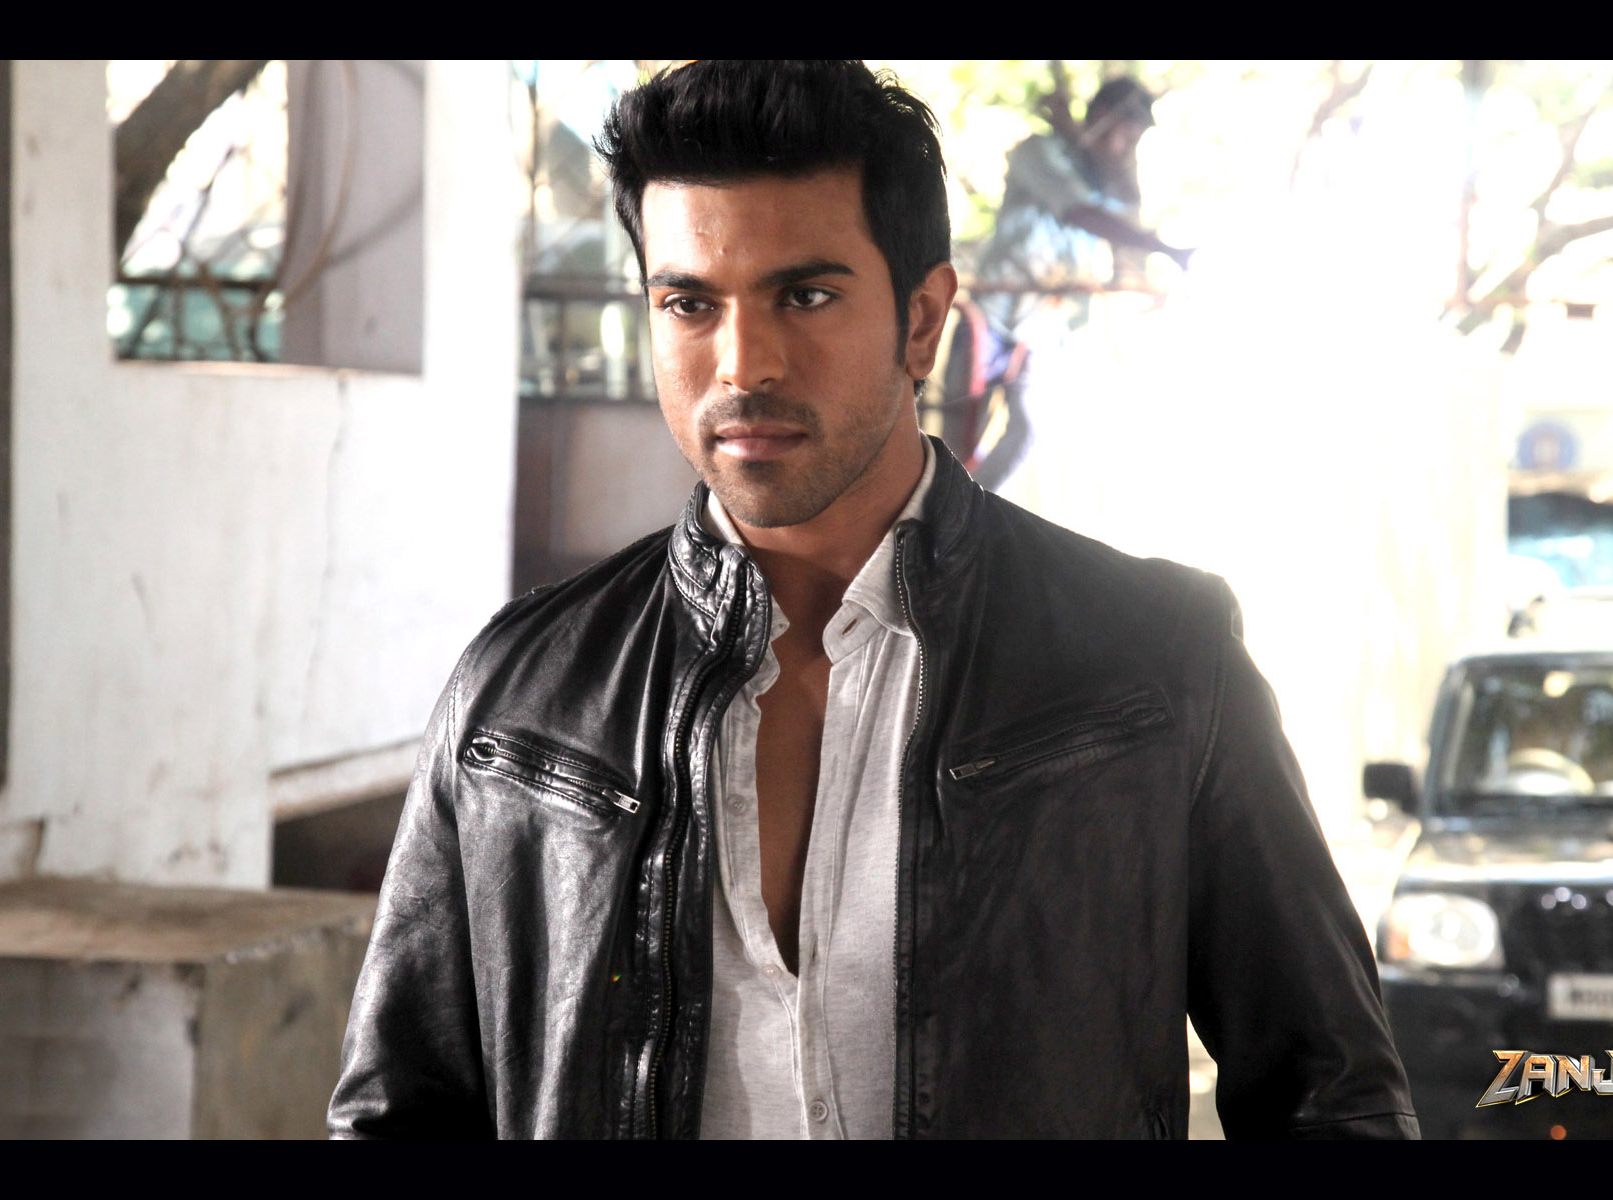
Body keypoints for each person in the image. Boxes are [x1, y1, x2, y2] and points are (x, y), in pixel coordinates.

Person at [328, 59, 1418, 1140]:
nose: (743, 364)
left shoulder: (1156, 663)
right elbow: (396, 1116)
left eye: (805, 295)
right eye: (690, 303)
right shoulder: (521, 694)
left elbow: (1335, 1099)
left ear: (922, 320)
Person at [963, 76, 1191, 492]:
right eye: (1127, 137)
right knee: (959, 434)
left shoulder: (1105, 179)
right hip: (992, 317)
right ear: (1102, 116)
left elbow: (1128, 203)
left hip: (1042, 329)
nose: (1128, 150)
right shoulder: (1039, 151)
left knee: (1025, 433)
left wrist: (1087, 143)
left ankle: (966, 511)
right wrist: (1162, 248)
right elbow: (1080, 212)